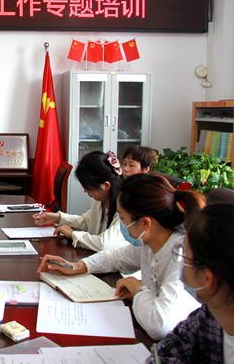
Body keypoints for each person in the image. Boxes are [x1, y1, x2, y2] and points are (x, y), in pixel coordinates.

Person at [38, 173, 203, 340]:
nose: (122, 225)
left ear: (145, 223)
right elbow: (116, 257)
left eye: (123, 219)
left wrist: (138, 290)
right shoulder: (151, 242)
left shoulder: (180, 255)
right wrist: (78, 266)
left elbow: (159, 325)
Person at [148, 203, 234, 363]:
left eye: (184, 257)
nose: (180, 265)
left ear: (207, 279)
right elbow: (168, 350)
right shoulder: (209, 316)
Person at [33, 151, 127, 251]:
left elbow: (104, 245)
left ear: (106, 186)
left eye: (88, 188)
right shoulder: (101, 197)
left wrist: (72, 234)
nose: (85, 192)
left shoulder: (126, 206)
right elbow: (87, 221)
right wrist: (57, 217)